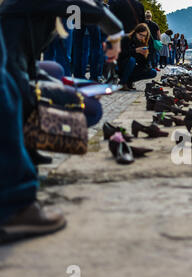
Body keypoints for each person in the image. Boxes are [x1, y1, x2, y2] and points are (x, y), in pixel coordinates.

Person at [0, 0, 123, 244]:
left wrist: (68, 85)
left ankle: (28, 150)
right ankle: (16, 205)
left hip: (19, 74)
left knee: (56, 70)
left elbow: (30, 64)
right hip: (17, 82)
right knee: (92, 109)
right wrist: (117, 34)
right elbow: (92, 11)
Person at [118, 23, 157, 91]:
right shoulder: (127, 39)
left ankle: (129, 81)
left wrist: (145, 56)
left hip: (133, 67)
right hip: (121, 65)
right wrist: (135, 50)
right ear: (136, 32)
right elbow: (121, 54)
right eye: (140, 35)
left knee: (153, 72)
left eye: (144, 36)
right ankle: (122, 83)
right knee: (132, 60)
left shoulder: (143, 43)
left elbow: (144, 65)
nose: (142, 37)